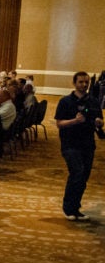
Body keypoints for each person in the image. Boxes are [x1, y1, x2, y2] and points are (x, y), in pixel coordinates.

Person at [54, 71, 103, 221]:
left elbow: (100, 120)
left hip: (87, 144)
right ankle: (68, 208)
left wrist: (99, 123)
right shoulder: (65, 102)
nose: (84, 85)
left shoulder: (93, 101)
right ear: (74, 83)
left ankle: (75, 208)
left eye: (86, 82)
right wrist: (74, 121)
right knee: (77, 172)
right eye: (81, 82)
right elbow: (59, 123)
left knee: (83, 177)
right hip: (70, 143)